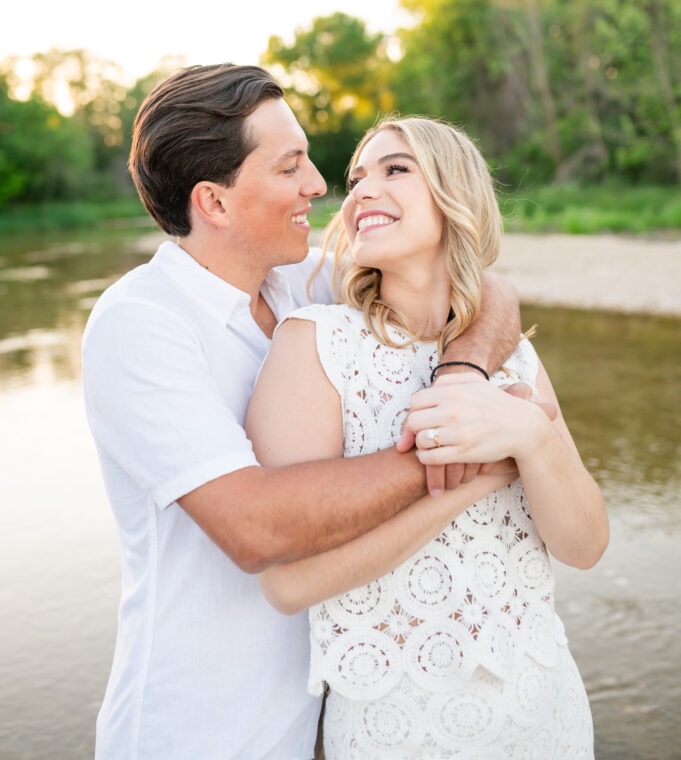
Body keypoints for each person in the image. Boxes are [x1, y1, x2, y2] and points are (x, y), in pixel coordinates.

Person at [82, 64, 525, 760]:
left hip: (321, 716)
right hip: (195, 731)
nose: (320, 186)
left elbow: (483, 287)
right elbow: (255, 527)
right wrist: (457, 450)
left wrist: (462, 374)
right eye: (291, 167)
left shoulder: (298, 281)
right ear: (215, 202)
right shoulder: (138, 325)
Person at [245, 116, 609, 759]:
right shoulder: (315, 344)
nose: (360, 191)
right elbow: (287, 585)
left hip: (544, 708)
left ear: (456, 196)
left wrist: (533, 436)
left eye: (395, 169)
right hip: (401, 725)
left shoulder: (515, 359)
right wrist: (480, 479)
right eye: (357, 179)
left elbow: (583, 547)